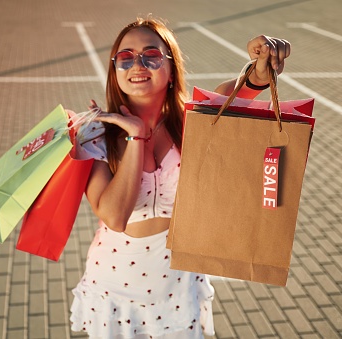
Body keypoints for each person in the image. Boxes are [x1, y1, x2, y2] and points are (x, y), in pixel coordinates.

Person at [70, 16, 291, 338]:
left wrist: (261, 66)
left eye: (152, 55)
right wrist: (135, 137)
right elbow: (115, 216)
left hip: (178, 281)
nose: (138, 64)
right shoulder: (94, 131)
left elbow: (242, 89)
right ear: (114, 70)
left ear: (172, 67)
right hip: (115, 284)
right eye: (126, 57)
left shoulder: (197, 118)